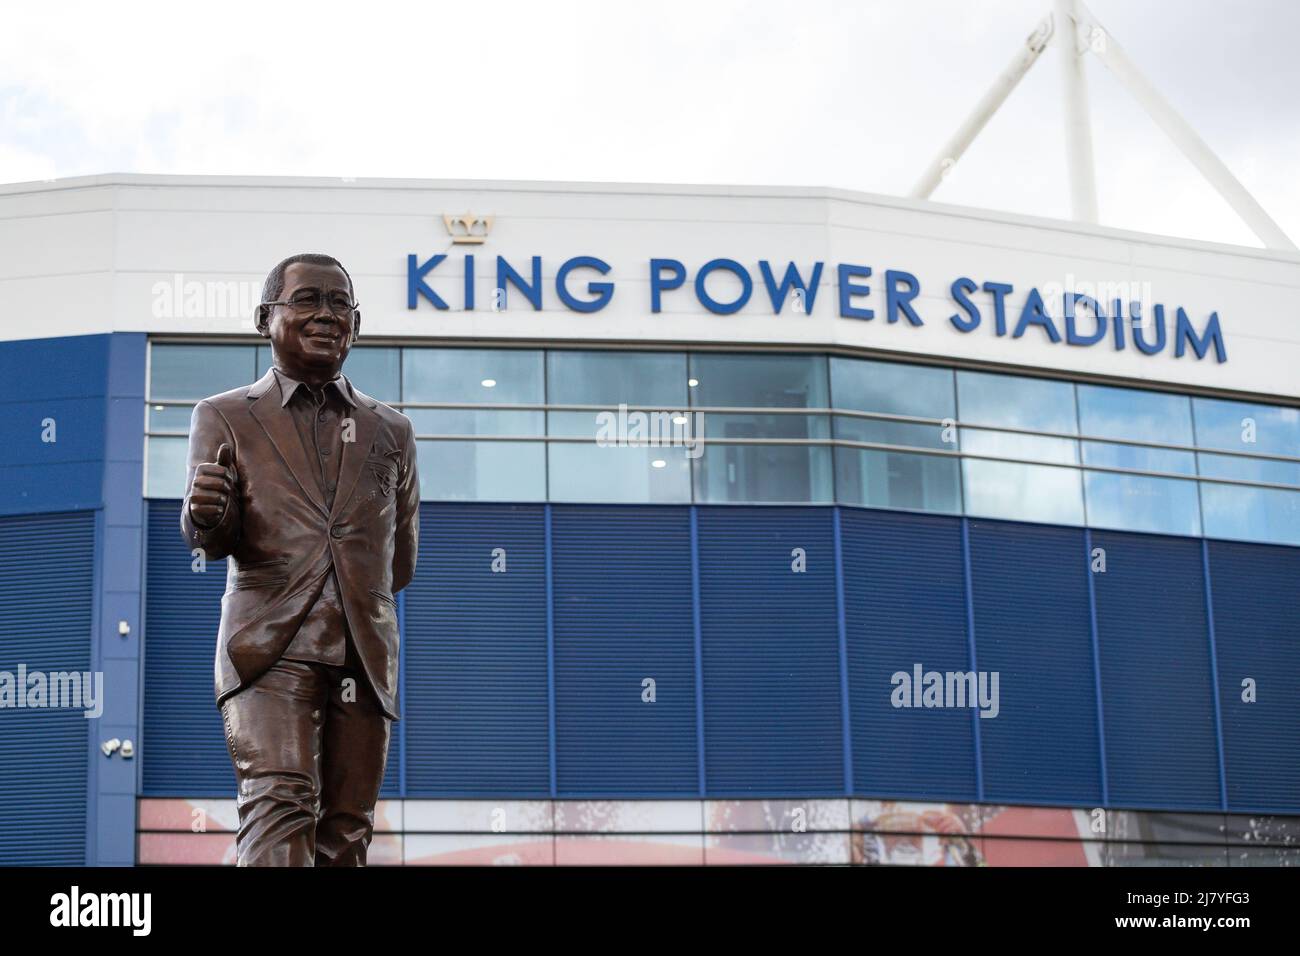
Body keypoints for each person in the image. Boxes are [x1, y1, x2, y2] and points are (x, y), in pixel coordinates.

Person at [181, 253, 419, 866]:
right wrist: (206, 513)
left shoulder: (391, 430)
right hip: (268, 646)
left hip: (363, 653)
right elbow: (210, 537)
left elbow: (400, 565)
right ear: (266, 318)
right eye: (307, 299)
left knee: (346, 831)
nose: (326, 315)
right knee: (280, 802)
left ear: (357, 326)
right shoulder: (225, 415)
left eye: (340, 304)